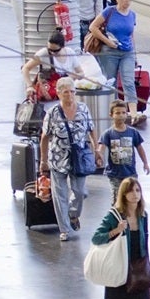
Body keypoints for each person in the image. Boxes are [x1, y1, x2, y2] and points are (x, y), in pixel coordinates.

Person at [40, 77, 104, 242]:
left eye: (72, 92)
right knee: (59, 194)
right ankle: (65, 229)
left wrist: (97, 150)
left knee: (80, 191)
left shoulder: (83, 108)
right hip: (58, 158)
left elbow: (91, 130)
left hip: (79, 157)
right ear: (59, 93)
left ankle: (72, 214)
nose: (70, 95)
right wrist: (43, 160)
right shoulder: (52, 112)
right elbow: (44, 137)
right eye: (66, 92)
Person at [85, 0, 140, 104]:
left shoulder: (132, 15)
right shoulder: (109, 11)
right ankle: (113, 109)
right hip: (109, 52)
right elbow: (93, 27)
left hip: (127, 52)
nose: (127, 0)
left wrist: (135, 55)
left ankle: (133, 114)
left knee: (129, 82)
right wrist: (108, 42)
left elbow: (131, 35)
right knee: (111, 81)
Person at [100, 101, 149, 188]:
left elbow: (140, 148)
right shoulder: (108, 133)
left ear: (127, 114)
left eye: (123, 113)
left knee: (131, 197)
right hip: (115, 175)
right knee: (117, 198)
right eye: (117, 113)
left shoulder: (133, 132)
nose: (121, 115)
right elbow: (102, 148)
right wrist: (99, 157)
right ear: (111, 115)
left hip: (131, 173)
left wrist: (145, 163)